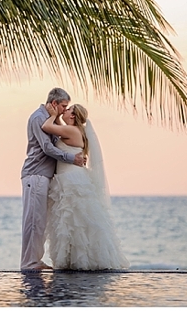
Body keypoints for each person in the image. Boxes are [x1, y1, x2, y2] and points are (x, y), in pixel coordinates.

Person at [41, 102, 129, 270]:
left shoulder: (71, 130)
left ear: (73, 116)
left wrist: (53, 115)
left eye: (68, 110)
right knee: (75, 222)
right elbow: (59, 129)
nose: (65, 111)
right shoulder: (74, 130)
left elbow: (46, 126)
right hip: (73, 177)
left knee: (73, 222)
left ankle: (76, 261)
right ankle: (76, 260)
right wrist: (59, 117)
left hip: (70, 179)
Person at [20, 88, 86, 271]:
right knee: (33, 221)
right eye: (63, 106)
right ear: (54, 104)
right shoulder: (38, 118)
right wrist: (72, 158)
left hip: (43, 176)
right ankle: (29, 263)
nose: (65, 110)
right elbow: (47, 148)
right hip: (36, 174)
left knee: (39, 221)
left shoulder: (49, 118)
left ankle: (35, 261)